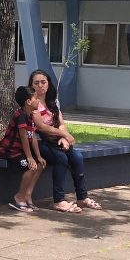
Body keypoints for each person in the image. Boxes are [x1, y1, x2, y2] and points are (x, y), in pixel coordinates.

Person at [28, 69, 102, 213]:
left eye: (43, 82)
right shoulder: (31, 103)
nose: (40, 85)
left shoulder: (53, 101)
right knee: (61, 158)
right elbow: (41, 127)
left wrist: (63, 137)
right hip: (38, 142)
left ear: (48, 84)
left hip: (56, 139)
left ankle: (82, 197)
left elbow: (60, 122)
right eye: (36, 83)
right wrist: (64, 135)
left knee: (77, 157)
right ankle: (59, 200)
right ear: (32, 85)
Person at [0, 86, 46, 213]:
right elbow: (24, 137)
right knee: (30, 167)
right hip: (10, 151)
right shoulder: (21, 116)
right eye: (36, 98)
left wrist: (38, 156)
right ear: (28, 102)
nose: (38, 101)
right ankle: (19, 196)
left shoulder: (30, 116)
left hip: (20, 151)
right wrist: (30, 158)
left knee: (39, 165)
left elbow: (33, 138)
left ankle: (27, 195)